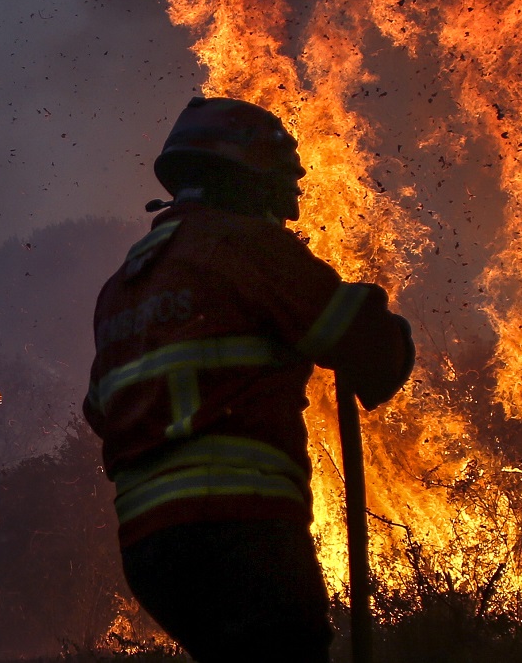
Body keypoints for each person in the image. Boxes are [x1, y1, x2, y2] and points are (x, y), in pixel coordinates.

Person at [83, 96, 415, 662]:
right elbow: (367, 345)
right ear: (249, 179)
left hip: (150, 547)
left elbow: (100, 410)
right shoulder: (243, 246)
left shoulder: (123, 286)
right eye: (278, 189)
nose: (284, 212)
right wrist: (384, 326)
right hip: (239, 525)